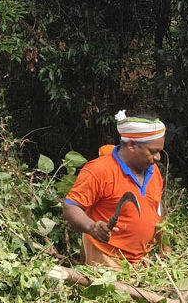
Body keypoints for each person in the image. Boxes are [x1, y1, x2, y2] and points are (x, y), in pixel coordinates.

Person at [63, 111, 166, 266]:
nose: (158, 157)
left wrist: (166, 249)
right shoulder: (100, 170)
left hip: (140, 262)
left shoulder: (154, 171)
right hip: (105, 259)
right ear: (131, 145)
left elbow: (157, 208)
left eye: (159, 151)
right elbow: (71, 207)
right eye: (153, 151)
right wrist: (92, 227)